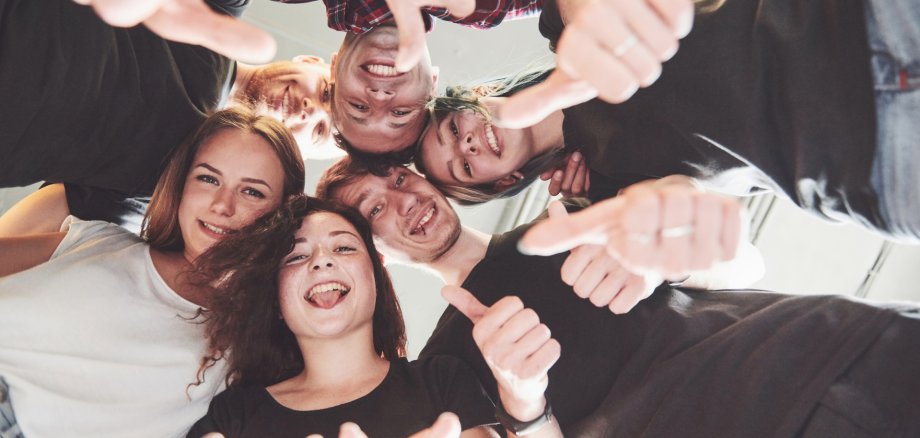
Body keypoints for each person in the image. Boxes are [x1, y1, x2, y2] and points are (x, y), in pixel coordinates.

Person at [317, 159, 920, 436]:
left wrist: (667, 252)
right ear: (378, 253)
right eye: (374, 208)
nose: (402, 201)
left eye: (398, 179)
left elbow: (746, 264)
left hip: (835, 349)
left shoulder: (574, 211)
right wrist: (524, 402)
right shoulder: (438, 375)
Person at [414, 0, 920, 244]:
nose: (469, 146)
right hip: (871, 169)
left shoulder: (568, 28)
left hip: (863, 20)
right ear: (500, 182)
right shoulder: (600, 198)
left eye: (453, 132)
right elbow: (686, 251)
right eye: (463, 167)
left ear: (472, 100)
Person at [0, 107, 306, 438]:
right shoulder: (98, 239)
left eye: (252, 192)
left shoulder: (255, 349)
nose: (222, 205)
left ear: (284, 211)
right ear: (182, 184)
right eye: (207, 178)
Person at [185, 195, 563, 438]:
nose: (322, 260)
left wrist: (525, 398)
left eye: (344, 247)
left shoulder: (438, 380)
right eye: (297, 256)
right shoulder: (235, 414)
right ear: (275, 301)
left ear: (376, 277)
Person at [0, 0, 331, 237]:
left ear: (299, 153)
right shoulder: (216, 9)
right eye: (327, 93)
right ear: (310, 60)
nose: (308, 107)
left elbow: (30, 237)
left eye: (319, 129)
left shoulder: (177, 185)